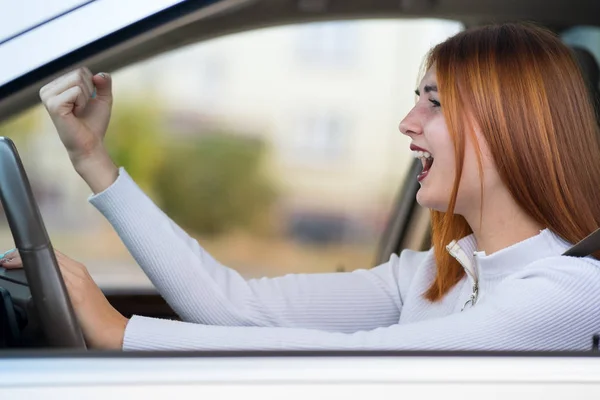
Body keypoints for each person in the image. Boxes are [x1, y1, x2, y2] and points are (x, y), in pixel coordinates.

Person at [3, 22, 600, 351]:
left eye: (435, 103)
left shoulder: (573, 291)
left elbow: (361, 371)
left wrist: (114, 331)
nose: (407, 123)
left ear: (509, 124)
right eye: (415, 99)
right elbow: (236, 309)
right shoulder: (431, 276)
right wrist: (93, 160)